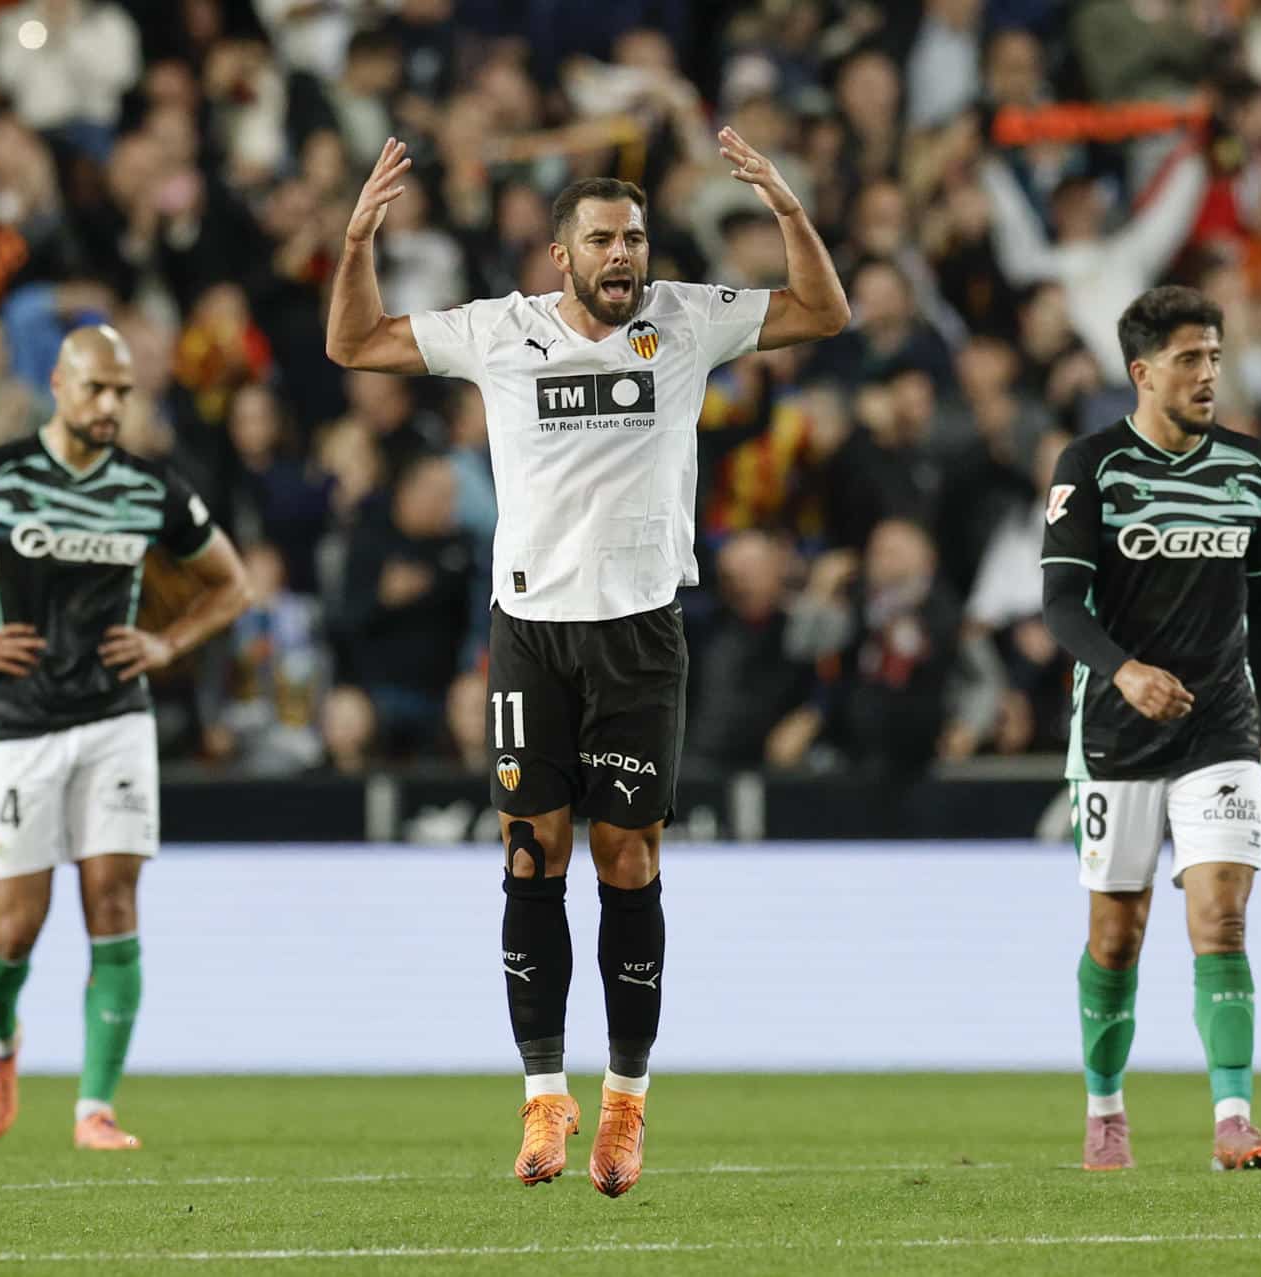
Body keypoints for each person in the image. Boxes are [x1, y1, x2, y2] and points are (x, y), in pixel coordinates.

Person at [324, 133, 847, 1196]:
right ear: (559, 256)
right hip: (530, 632)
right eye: (603, 239)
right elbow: (354, 343)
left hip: (641, 633)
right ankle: (544, 1098)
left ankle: (624, 1105)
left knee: (630, 864)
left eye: (636, 237)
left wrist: (791, 212)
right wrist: (357, 239)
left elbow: (822, 313)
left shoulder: (686, 320)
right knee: (530, 859)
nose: (625, 254)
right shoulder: (498, 333)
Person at [0, 326, 251, 1150]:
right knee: (15, 927)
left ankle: (94, 1108)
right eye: (98, 389)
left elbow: (232, 583)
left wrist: (167, 643)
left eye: (123, 392)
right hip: (21, 721)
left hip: (115, 718)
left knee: (112, 900)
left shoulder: (150, 488)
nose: (112, 405)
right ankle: (1, 1044)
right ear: (60, 386)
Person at [1039, 285, 1261, 1173]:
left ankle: (1233, 1118)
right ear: (1142, 372)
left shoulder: (1251, 467)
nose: (1208, 374)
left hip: (1222, 723)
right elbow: (1060, 607)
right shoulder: (1094, 466)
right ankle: (1105, 1109)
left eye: (1216, 357)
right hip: (1115, 728)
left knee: (1221, 918)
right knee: (1119, 932)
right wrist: (1125, 669)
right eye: (1190, 359)